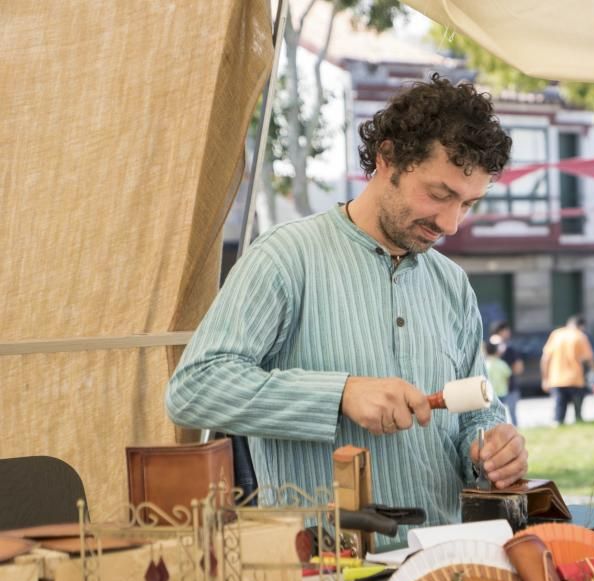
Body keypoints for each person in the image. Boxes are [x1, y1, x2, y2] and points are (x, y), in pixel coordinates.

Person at [165, 75, 527, 532]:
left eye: (469, 204)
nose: (451, 223)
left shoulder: (452, 283)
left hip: (440, 565)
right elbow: (193, 389)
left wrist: (493, 446)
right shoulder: (285, 257)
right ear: (387, 159)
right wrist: (339, 394)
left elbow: (477, 412)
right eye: (439, 195)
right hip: (326, 579)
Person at [541, 315, 594, 425]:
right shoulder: (580, 336)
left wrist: (545, 378)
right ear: (581, 326)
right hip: (575, 379)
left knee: (559, 413)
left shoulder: (556, 334)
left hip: (556, 379)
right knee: (578, 415)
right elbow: (589, 359)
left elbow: (545, 359)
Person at [489, 321, 523, 426]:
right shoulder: (510, 349)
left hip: (490, 390)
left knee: (494, 416)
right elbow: (519, 368)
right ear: (501, 331)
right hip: (509, 388)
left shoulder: (485, 350)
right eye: (506, 330)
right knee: (511, 415)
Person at [483, 340, 512, 415]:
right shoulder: (502, 364)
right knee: (501, 413)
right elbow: (508, 377)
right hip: (502, 393)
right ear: (497, 352)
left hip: (488, 393)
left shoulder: (484, 364)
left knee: (490, 413)